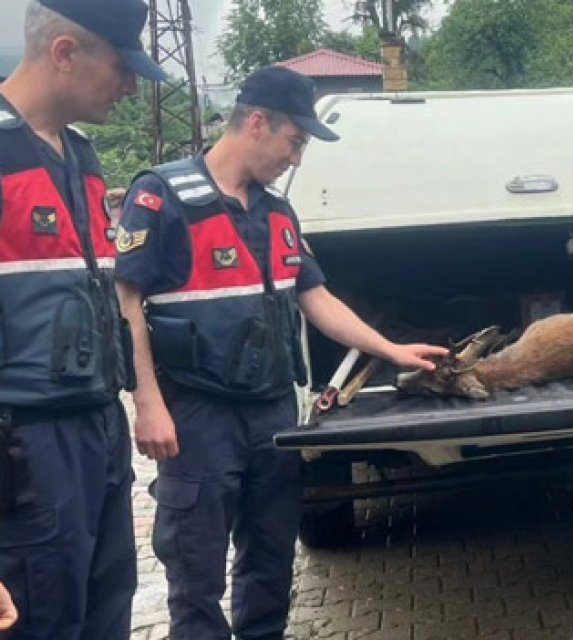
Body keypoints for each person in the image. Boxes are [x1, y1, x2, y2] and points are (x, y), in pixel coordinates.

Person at [114, 66, 449, 639]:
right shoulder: (162, 197)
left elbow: (316, 298)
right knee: (194, 572)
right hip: (197, 416)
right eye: (294, 142)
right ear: (257, 123)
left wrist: (389, 349)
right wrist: (147, 402)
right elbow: (125, 303)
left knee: (271, 559)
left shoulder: (276, 212)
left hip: (271, 411)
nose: (295, 160)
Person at [0, 1, 168, 638]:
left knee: (106, 611)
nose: (130, 88)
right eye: (123, 68)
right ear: (65, 52)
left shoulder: (81, 155)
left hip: (98, 429)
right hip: (25, 447)